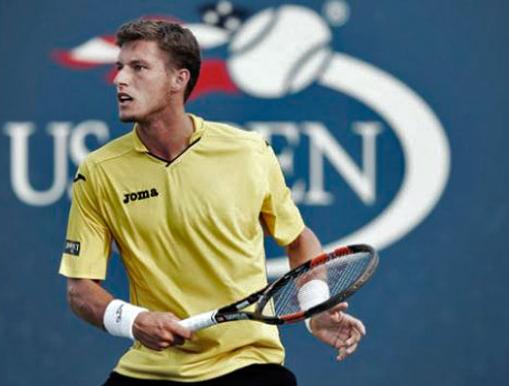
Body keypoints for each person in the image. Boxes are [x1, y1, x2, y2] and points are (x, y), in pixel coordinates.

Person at [59, 19, 366, 386]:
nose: (120, 80)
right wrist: (135, 321)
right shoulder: (99, 172)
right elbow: (80, 290)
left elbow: (298, 240)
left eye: (138, 67)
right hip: (151, 369)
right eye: (119, 68)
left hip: (247, 363)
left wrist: (316, 307)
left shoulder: (248, 152)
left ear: (179, 79)